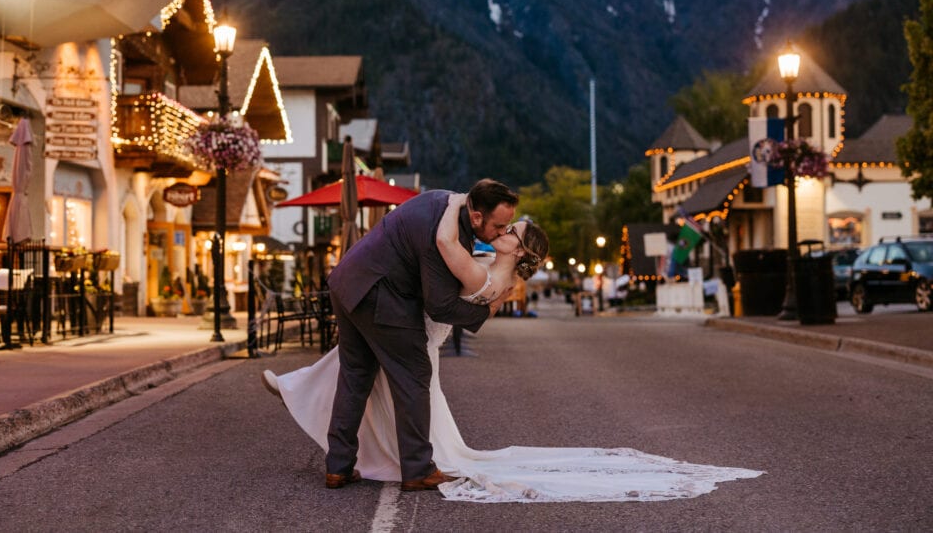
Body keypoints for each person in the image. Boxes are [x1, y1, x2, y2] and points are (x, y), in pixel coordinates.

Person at [263, 198, 763, 502]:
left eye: (512, 232)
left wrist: (452, 206)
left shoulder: (488, 267)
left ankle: (346, 463)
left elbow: (449, 293)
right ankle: (390, 461)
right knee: (387, 379)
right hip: (389, 306)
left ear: (519, 252)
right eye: (505, 227)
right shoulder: (484, 253)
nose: (503, 231)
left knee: (375, 378)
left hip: (374, 298)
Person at [322, 178, 519, 492]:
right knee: (414, 375)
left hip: (347, 282)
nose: (502, 233)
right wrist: (483, 312)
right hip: (380, 294)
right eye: (499, 226)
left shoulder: (445, 204)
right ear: (477, 216)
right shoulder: (443, 232)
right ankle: (417, 469)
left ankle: (338, 466)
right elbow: (440, 305)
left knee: (355, 376)